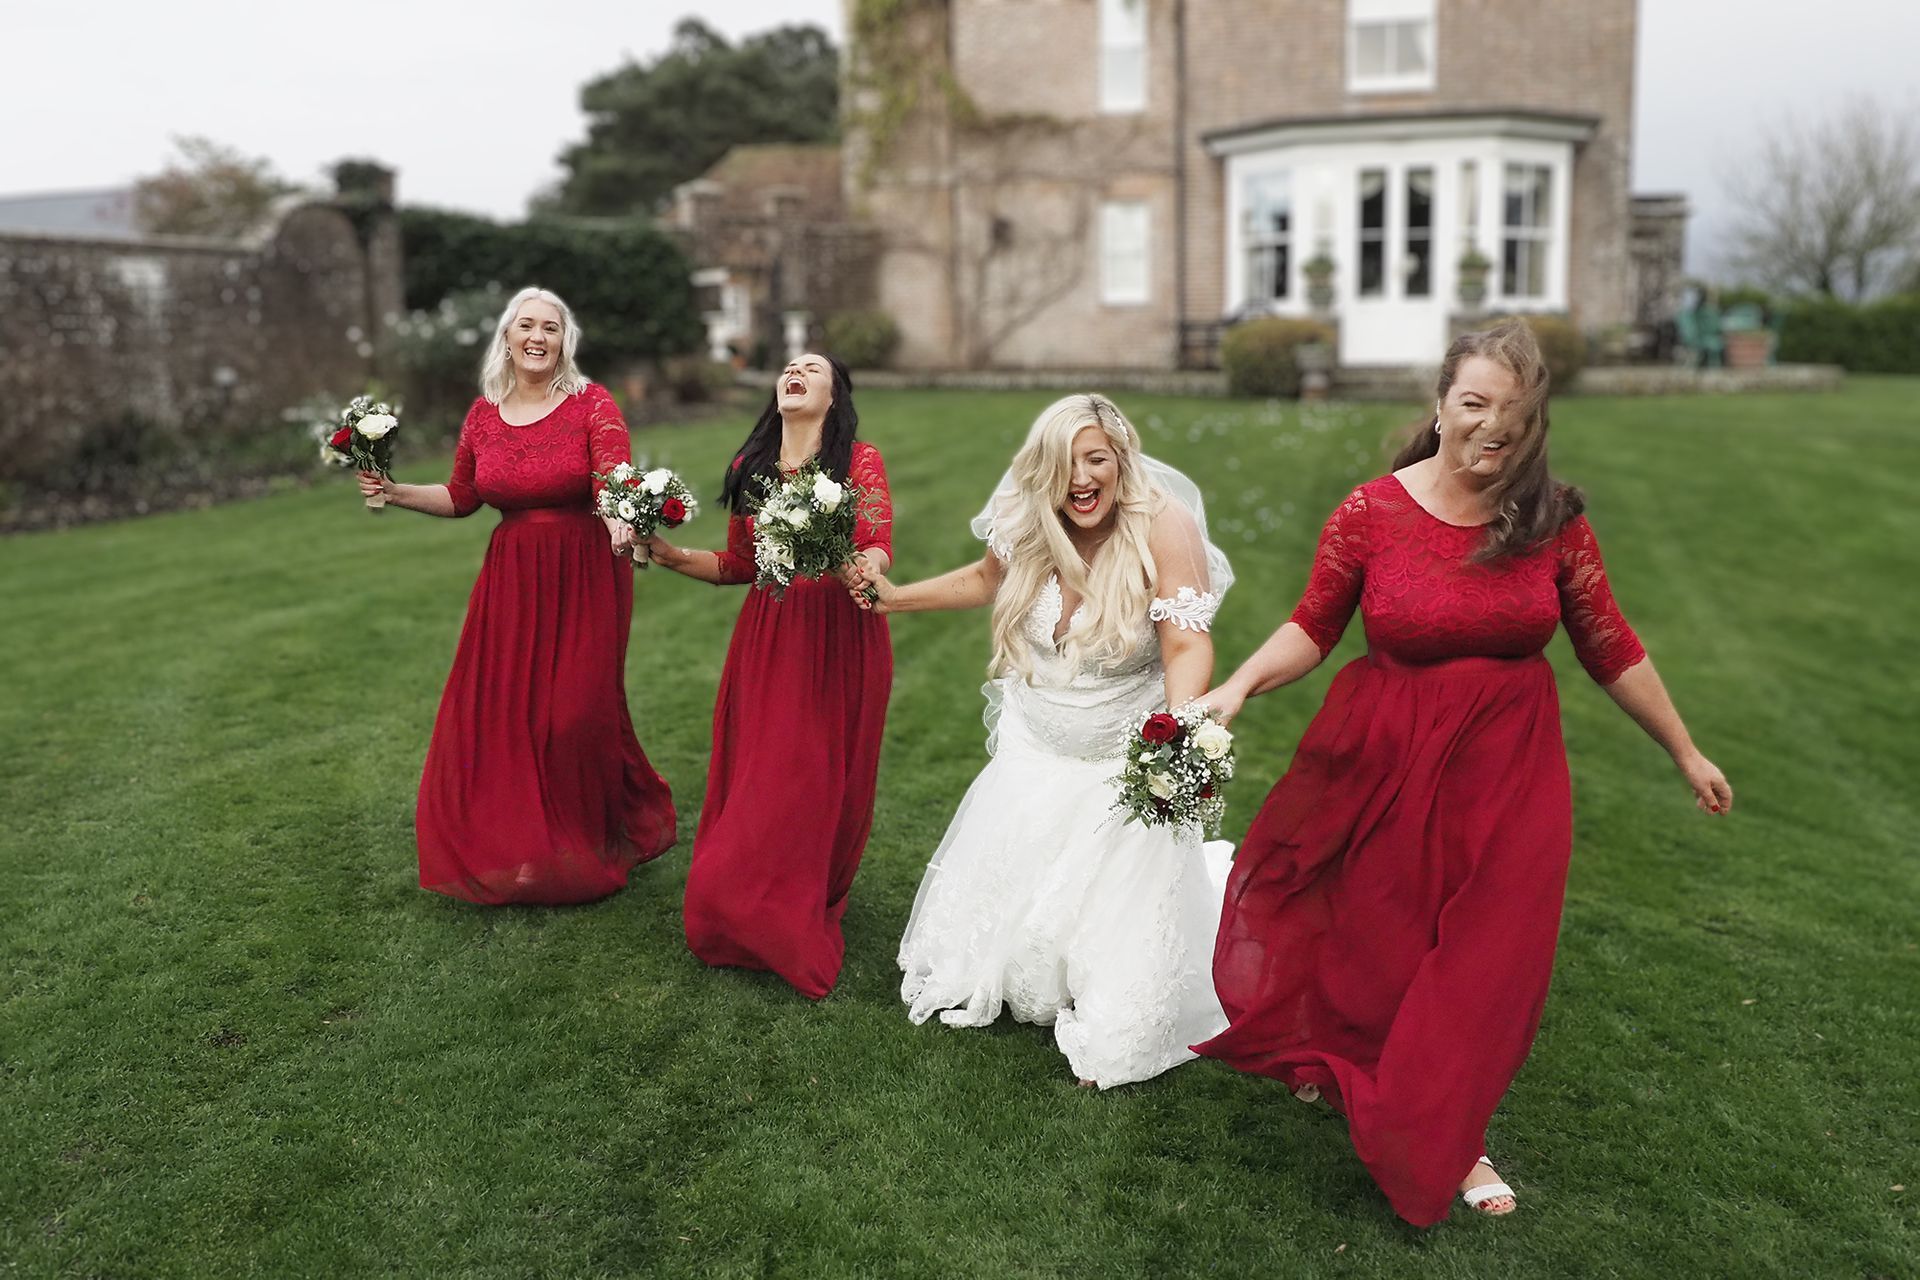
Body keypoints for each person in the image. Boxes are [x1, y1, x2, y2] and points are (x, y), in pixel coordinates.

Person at [1194, 319, 1732, 1224]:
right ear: (1441, 404)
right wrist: (1240, 684)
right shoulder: (1372, 512)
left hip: (1511, 765)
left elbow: (1609, 644)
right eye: (1475, 403)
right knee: (1383, 938)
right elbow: (1315, 625)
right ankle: (1355, 1058)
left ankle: (1452, 1134)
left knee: (1488, 953)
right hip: (1391, 753)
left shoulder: (1551, 522)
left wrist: (1685, 749)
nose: (1492, 427)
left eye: (1512, 414)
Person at [855, 394, 1233, 1087]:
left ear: (1122, 460)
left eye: (1097, 460)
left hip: (1122, 757)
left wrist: (1175, 737)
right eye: (1066, 464)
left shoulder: (1162, 526)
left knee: (1120, 969)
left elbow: (1186, 643)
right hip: (1035, 745)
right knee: (993, 935)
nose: (1081, 479)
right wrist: (894, 597)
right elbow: (984, 579)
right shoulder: (1024, 517)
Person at [356, 286, 675, 904]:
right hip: (512, 578)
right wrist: (395, 491)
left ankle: (587, 840)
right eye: (526, 325)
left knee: (574, 713)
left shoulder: (591, 403)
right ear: (507, 337)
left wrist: (620, 516)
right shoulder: (483, 415)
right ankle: (527, 845)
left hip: (584, 569)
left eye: (550, 328)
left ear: (564, 342)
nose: (537, 337)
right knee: (510, 715)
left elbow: (613, 475)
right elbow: (462, 496)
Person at [642, 353, 892, 999]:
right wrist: (668, 554)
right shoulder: (750, 466)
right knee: (763, 769)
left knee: (810, 773)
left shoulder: (858, 461)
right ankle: (737, 902)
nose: (794, 372)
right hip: (770, 635)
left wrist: (862, 565)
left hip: (837, 635)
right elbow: (737, 564)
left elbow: (876, 542)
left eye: (812, 368)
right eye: (788, 367)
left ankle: (792, 904)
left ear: (834, 395)